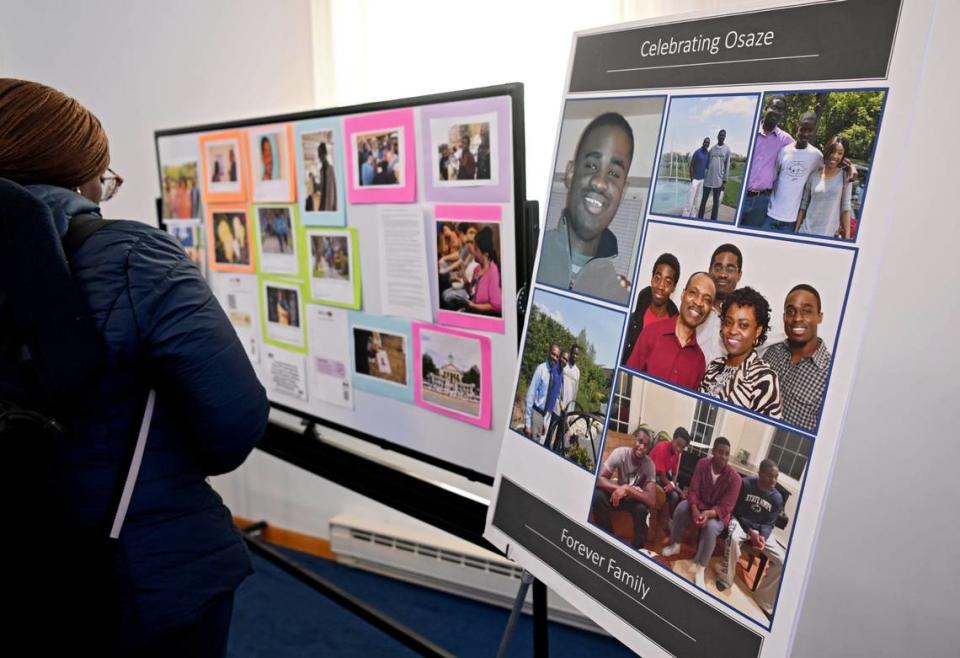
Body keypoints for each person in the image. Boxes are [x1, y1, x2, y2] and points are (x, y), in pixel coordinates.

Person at [0, 78, 268, 654]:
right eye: (105, 178)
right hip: (138, 571)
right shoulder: (130, 256)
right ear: (77, 177)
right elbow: (233, 425)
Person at [538, 112, 635, 305]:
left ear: (623, 191)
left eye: (614, 173)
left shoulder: (619, 299)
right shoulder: (530, 254)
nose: (600, 182)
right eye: (591, 165)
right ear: (570, 174)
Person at [661, 437, 742, 589]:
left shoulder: (735, 478)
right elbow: (693, 490)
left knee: (711, 527)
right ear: (713, 452)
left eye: (727, 454)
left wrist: (708, 514)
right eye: (720, 452)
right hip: (699, 504)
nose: (724, 457)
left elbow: (727, 507)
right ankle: (675, 544)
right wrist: (695, 510)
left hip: (718, 514)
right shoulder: (702, 464)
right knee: (680, 509)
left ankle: (700, 568)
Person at [716, 460, 786, 618]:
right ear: (760, 473)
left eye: (776, 477)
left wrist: (762, 536)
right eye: (770, 476)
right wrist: (750, 531)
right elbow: (737, 512)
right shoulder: (746, 485)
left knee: (783, 561)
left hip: (761, 529)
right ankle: (725, 580)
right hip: (742, 522)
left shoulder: (777, 498)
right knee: (733, 538)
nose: (774, 480)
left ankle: (764, 600)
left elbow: (769, 523)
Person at [700, 286, 783, 418]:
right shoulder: (713, 367)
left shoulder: (764, 378)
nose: (733, 331)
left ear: (758, 331)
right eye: (728, 322)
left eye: (743, 325)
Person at [625, 272, 715, 390]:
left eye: (707, 300)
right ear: (683, 294)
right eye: (693, 293)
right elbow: (626, 384)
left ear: (710, 310)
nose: (698, 302)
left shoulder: (699, 361)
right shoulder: (651, 333)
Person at [763, 284, 833, 431]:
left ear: (819, 317)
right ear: (784, 317)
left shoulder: (830, 376)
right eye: (791, 311)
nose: (797, 318)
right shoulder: (771, 351)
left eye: (807, 311)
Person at [590, 427, 657, 550]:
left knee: (642, 509)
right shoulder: (620, 453)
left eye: (646, 445)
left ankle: (636, 550)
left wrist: (627, 489)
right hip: (617, 496)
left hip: (633, 499)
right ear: (634, 440)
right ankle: (609, 540)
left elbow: (652, 499)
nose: (642, 447)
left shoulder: (649, 465)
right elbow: (599, 479)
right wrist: (620, 488)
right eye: (640, 441)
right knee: (597, 495)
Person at [763, 112, 823, 233]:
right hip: (770, 214)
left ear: (814, 131)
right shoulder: (784, 151)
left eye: (810, 130)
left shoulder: (817, 156)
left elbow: (829, 172)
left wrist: (849, 167)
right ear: (797, 126)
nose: (805, 134)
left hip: (792, 221)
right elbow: (774, 178)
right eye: (803, 128)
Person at [740, 95, 793, 228]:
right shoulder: (749, 130)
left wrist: (849, 166)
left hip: (761, 201)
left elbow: (804, 151)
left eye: (780, 110)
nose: (776, 112)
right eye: (774, 107)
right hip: (741, 196)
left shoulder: (785, 139)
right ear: (766, 108)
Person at [622, 252, 680, 361]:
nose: (661, 286)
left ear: (673, 287)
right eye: (657, 278)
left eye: (668, 282)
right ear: (652, 279)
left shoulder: (674, 329)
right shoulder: (632, 320)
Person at [697, 243, 744, 366]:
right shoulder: (695, 308)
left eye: (730, 269)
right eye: (718, 267)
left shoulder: (745, 319)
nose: (722, 274)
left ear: (739, 275)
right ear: (709, 270)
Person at [797, 135, 852, 238]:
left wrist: (847, 238)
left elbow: (846, 208)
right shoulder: (813, 176)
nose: (835, 156)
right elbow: (803, 206)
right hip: (805, 232)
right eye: (832, 151)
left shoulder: (846, 177)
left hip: (828, 236)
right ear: (827, 151)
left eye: (840, 153)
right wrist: (796, 231)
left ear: (843, 156)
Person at [648, 426, 691, 519]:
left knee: (675, 496)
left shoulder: (677, 453)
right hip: (650, 475)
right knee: (675, 494)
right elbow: (662, 477)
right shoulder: (662, 448)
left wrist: (672, 483)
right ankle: (665, 518)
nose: (679, 449)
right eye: (678, 444)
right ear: (673, 439)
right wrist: (678, 490)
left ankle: (669, 518)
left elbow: (675, 474)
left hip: (662, 476)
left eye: (682, 447)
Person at [523, 343, 560, 443]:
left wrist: (543, 422)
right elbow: (530, 395)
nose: (555, 358)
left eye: (557, 356)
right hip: (535, 413)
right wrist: (527, 423)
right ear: (548, 353)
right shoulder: (541, 369)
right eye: (553, 354)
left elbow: (545, 398)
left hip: (541, 417)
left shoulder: (552, 373)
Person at [549, 344, 582, 452]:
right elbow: (557, 384)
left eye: (577, 354)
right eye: (573, 353)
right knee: (550, 432)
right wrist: (559, 402)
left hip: (567, 411)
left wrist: (571, 412)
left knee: (559, 437)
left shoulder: (577, 372)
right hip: (558, 407)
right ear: (570, 352)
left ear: (578, 356)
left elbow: (575, 393)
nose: (575, 356)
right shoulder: (564, 365)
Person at [465, 225, 502, 316]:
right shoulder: (477, 269)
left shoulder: (493, 272)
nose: (473, 251)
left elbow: (496, 306)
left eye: (476, 249)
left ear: (485, 254)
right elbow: (472, 292)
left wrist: (473, 306)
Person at [698, 129, 731, 221]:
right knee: (703, 200)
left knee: (716, 203)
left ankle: (713, 220)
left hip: (718, 180)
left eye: (723, 135)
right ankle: (699, 218)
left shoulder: (727, 150)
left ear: (725, 137)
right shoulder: (712, 149)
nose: (722, 137)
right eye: (720, 135)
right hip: (708, 180)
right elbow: (706, 163)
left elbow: (727, 166)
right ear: (717, 136)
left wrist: (724, 181)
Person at [683, 137, 710, 216]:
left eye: (708, 143)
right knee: (690, 200)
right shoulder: (697, 152)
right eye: (705, 142)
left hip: (702, 180)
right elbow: (691, 165)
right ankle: (685, 216)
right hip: (695, 180)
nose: (706, 144)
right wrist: (692, 179)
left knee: (697, 200)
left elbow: (707, 167)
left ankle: (693, 216)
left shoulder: (708, 154)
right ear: (703, 142)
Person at [316, 141, 337, 211]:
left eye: (320, 153)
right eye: (319, 154)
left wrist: (332, 209)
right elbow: (322, 187)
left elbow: (333, 192)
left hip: (330, 207)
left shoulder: (331, 169)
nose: (319, 156)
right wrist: (315, 185)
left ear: (325, 153)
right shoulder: (321, 170)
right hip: (323, 206)